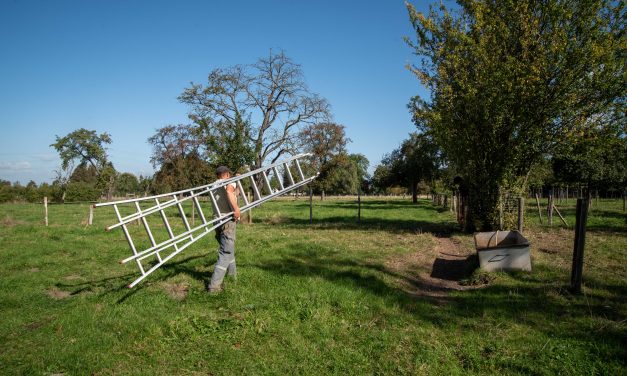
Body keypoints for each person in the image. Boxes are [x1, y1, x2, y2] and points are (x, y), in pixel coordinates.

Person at [207, 165, 241, 293]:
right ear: (227, 174)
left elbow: (233, 193)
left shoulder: (213, 185)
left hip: (217, 220)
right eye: (230, 175)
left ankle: (232, 277)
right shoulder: (228, 182)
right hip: (227, 221)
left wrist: (238, 184)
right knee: (226, 252)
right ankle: (214, 287)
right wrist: (236, 209)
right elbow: (228, 192)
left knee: (228, 249)